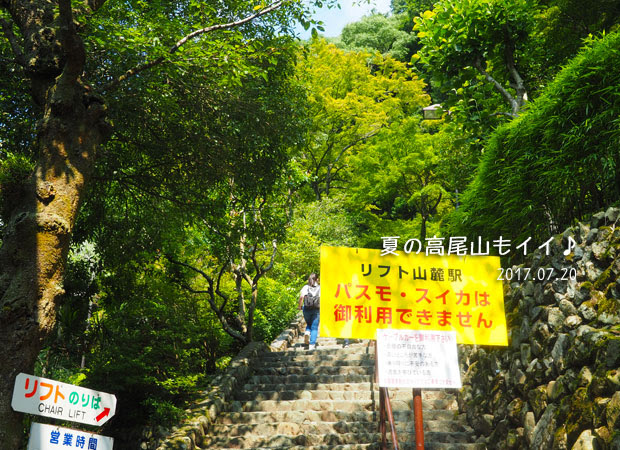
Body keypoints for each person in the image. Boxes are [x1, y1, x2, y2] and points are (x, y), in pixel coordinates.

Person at [299, 273, 320, 350]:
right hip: (316, 309)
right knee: (314, 327)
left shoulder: (306, 287)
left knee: (309, 323)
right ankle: (312, 345)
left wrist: (299, 306)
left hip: (306, 308)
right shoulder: (320, 288)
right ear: (317, 279)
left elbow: (301, 297)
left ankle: (307, 332)